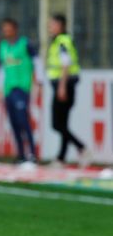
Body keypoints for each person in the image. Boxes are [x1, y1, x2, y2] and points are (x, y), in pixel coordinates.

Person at [0, 18, 42, 167]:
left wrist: (39, 82)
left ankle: (32, 154)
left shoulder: (25, 44)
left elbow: (37, 62)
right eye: (4, 29)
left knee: (23, 121)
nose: (6, 31)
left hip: (21, 88)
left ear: (15, 29)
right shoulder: (3, 46)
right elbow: (2, 68)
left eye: (8, 28)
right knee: (14, 122)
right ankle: (21, 154)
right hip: (8, 89)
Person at [47, 14, 89, 167]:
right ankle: (61, 158)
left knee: (57, 124)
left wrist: (62, 87)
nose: (50, 27)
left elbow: (66, 64)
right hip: (63, 86)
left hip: (64, 86)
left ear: (61, 26)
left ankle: (81, 147)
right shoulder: (59, 41)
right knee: (62, 124)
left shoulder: (62, 41)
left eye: (52, 24)